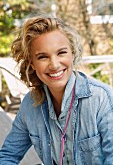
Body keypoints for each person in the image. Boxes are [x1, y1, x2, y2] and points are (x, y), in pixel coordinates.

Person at [0, 14, 113, 165]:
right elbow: (7, 156)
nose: (54, 65)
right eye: (42, 57)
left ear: (72, 54)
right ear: (32, 63)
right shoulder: (30, 104)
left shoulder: (101, 98)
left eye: (61, 53)